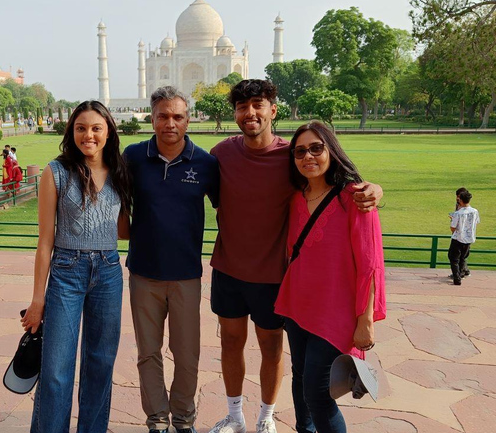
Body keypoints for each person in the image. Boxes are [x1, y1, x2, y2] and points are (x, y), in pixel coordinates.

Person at [207, 80, 382, 433]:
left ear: (274, 109)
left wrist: (374, 189)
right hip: (239, 273)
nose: (250, 113)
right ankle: (235, 416)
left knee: (283, 359)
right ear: (235, 114)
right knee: (247, 350)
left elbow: (369, 256)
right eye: (242, 107)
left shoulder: (291, 158)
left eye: (258, 104)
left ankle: (266, 417)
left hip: (279, 281)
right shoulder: (222, 154)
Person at [21, 100, 132, 433]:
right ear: (71, 131)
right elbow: (45, 242)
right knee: (56, 368)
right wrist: (37, 299)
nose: (89, 135)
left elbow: (123, 230)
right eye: (81, 128)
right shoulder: (56, 172)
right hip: (67, 271)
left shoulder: (119, 171)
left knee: (100, 363)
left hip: (109, 270)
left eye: (96, 128)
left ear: (108, 131)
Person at [275, 121, 387, 433]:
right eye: (299, 151)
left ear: (331, 151)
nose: (307, 156)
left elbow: (371, 263)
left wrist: (365, 321)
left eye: (315, 148)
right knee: (300, 378)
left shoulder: (355, 198)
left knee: (318, 392)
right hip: (297, 306)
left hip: (335, 313)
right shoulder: (296, 199)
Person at [123, 86, 219, 433]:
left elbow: (233, 207)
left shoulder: (205, 163)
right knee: (148, 353)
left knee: (187, 355)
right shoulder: (134, 157)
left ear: (188, 120)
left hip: (185, 276)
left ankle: (183, 419)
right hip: (144, 274)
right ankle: (157, 421)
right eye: (163, 116)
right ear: (152, 118)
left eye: (177, 116)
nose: (170, 123)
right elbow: (106, 190)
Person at [448, 190, 480, 286]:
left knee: (453, 258)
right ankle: (461, 274)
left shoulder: (458, 213)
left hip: (458, 238)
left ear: (460, 200)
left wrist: (453, 220)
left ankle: (457, 278)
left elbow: (453, 227)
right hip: (469, 238)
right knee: (463, 257)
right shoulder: (475, 211)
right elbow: (476, 222)